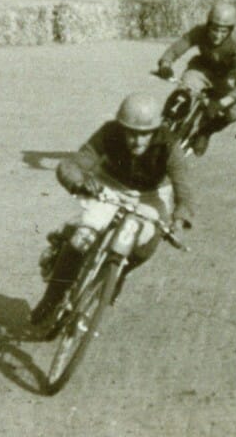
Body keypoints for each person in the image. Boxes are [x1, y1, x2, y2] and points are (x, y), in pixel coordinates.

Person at [30, 93, 195, 325]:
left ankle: (118, 273)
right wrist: (79, 181)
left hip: (149, 196)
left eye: (145, 134)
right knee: (81, 238)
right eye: (131, 132)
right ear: (121, 127)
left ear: (156, 130)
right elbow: (73, 163)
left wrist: (180, 216)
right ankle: (51, 298)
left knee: (146, 245)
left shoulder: (170, 144)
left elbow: (183, 186)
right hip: (110, 185)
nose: (137, 141)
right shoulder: (108, 132)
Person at [155, 1, 236, 157]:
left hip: (222, 79)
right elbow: (176, 49)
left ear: (230, 30)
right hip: (200, 70)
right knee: (184, 91)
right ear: (208, 25)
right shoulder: (199, 31)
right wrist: (165, 64)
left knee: (234, 113)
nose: (217, 35)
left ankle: (205, 132)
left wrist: (220, 104)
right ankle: (167, 122)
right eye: (214, 29)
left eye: (223, 31)